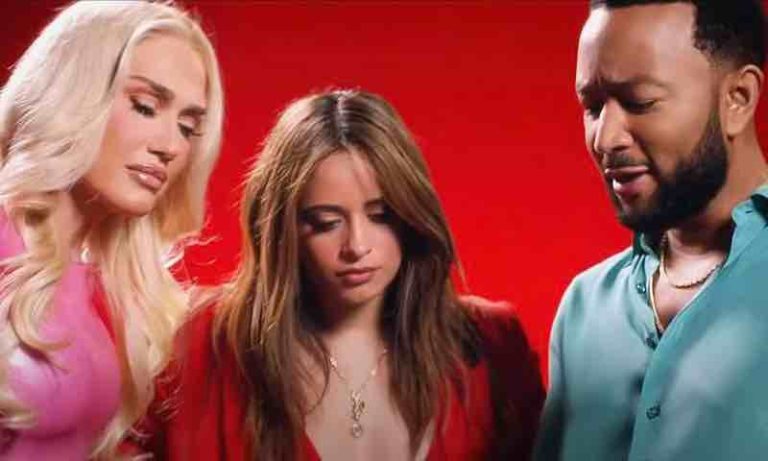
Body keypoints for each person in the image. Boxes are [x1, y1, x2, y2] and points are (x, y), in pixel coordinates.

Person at [127, 89, 544, 460]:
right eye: (326, 223)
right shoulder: (199, 346)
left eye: (381, 216)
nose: (357, 246)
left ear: (413, 216)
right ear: (281, 229)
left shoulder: (492, 344)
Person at [534, 0, 767, 460]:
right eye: (592, 107)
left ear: (738, 99)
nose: (605, 139)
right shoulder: (584, 307)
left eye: (640, 102)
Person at [0, 1, 223, 458]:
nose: (170, 146)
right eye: (145, 107)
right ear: (71, 94)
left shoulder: (110, 287)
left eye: (187, 127)